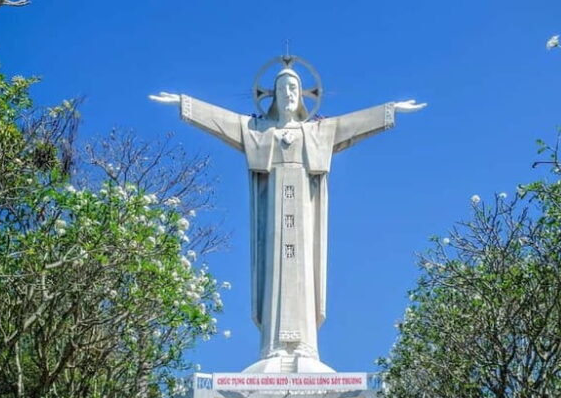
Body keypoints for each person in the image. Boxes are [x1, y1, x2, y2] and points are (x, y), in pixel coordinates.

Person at [150, 59, 425, 373]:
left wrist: (390, 110)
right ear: (273, 95)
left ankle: (305, 348)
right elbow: (222, 120)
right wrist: (186, 105)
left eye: (294, 87)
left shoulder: (318, 131)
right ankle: (273, 349)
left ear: (304, 94)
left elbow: (353, 124)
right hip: (273, 218)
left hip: (304, 216)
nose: (289, 94)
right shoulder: (258, 131)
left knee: (304, 274)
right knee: (274, 274)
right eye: (282, 88)